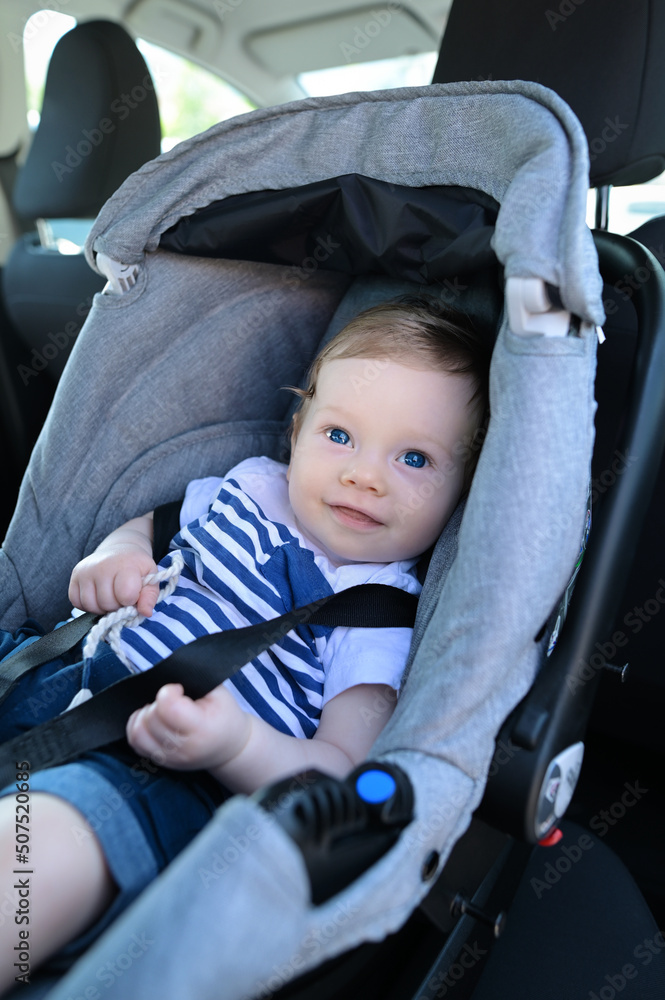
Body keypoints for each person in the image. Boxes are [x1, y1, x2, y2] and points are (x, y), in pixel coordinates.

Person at [0, 296, 489, 988]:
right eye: (340, 436)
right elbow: (151, 525)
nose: (364, 474)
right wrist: (115, 558)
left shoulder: (375, 614)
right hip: (50, 671)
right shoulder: (254, 486)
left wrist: (235, 746)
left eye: (413, 457)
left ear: (463, 490)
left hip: (159, 772)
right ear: (297, 429)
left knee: (45, 842)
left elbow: (339, 773)